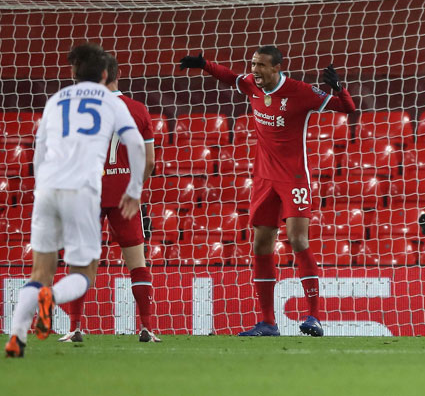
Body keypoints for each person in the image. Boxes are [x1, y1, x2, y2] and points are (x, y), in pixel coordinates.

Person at [178, 47, 356, 337]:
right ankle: (267, 322)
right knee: (260, 246)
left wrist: (339, 88)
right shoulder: (251, 83)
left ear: (277, 68)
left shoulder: (300, 91)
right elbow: (230, 77)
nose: (255, 70)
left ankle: (314, 316)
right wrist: (204, 65)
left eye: (261, 65)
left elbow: (346, 108)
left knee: (298, 239)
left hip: (294, 177)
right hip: (263, 179)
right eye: (253, 64)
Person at [5, 43, 146, 358]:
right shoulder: (110, 102)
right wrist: (135, 188)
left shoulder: (56, 100)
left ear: (72, 72)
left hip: (47, 190)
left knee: (39, 271)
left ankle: (16, 337)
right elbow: (135, 143)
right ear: (106, 74)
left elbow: (39, 152)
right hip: (81, 192)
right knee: (83, 274)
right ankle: (50, 298)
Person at [59, 53, 159, 344]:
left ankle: (75, 327)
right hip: (124, 195)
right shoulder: (138, 110)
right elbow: (149, 161)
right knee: (137, 263)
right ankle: (147, 328)